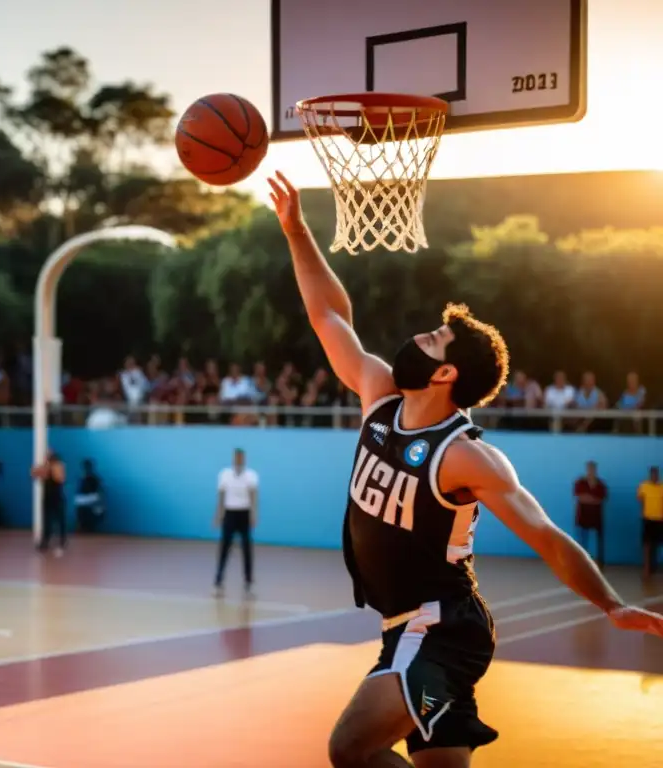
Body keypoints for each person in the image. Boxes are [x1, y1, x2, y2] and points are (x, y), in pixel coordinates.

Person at [267, 170, 663, 768]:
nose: (420, 336)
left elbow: (546, 536)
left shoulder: (465, 455)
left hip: (441, 633)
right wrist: (297, 232)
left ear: (447, 375)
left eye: (434, 340)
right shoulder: (379, 396)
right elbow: (330, 317)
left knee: (350, 748)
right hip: (408, 628)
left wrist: (611, 605)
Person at [213, 448, 258, 598]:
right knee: (224, 548)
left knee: (247, 549)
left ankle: (248, 584)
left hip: (244, 513)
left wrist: (253, 514)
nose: (239, 460)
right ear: (233, 459)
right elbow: (221, 495)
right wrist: (219, 515)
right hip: (229, 513)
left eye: (241, 458)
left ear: (244, 459)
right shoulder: (224, 474)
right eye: (236, 457)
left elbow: (253, 495)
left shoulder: (251, 475)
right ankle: (218, 582)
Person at [31, 450, 67, 556]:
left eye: (49, 456)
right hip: (47, 497)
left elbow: (60, 478)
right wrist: (44, 469)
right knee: (46, 520)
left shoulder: (59, 466)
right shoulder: (44, 467)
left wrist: (49, 469)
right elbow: (33, 473)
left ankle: (62, 540)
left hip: (57, 497)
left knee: (60, 520)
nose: (47, 458)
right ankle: (45, 541)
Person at [573, 461, 607, 567]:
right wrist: (592, 499)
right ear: (586, 469)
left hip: (596, 519)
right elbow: (580, 497)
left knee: (597, 544)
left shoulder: (601, 484)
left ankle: (597, 564)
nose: (591, 471)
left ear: (596, 470)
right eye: (589, 469)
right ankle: (582, 563)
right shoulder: (580, 482)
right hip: (582, 518)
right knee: (582, 542)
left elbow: (600, 500)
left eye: (593, 469)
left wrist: (588, 498)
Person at [638, 466, 663, 579]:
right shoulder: (644, 486)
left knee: (657, 545)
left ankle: (655, 567)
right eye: (652, 474)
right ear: (649, 475)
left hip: (660, 520)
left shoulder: (662, 487)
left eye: (656, 474)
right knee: (647, 545)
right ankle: (646, 569)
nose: (654, 476)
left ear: (658, 475)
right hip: (648, 519)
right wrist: (644, 513)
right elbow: (641, 500)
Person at [74, 459, 105, 533]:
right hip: (84, 498)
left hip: (92, 498)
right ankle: (83, 526)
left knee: (92, 513)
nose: (86, 468)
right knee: (81, 511)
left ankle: (89, 527)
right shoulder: (83, 477)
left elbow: (99, 490)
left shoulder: (95, 478)